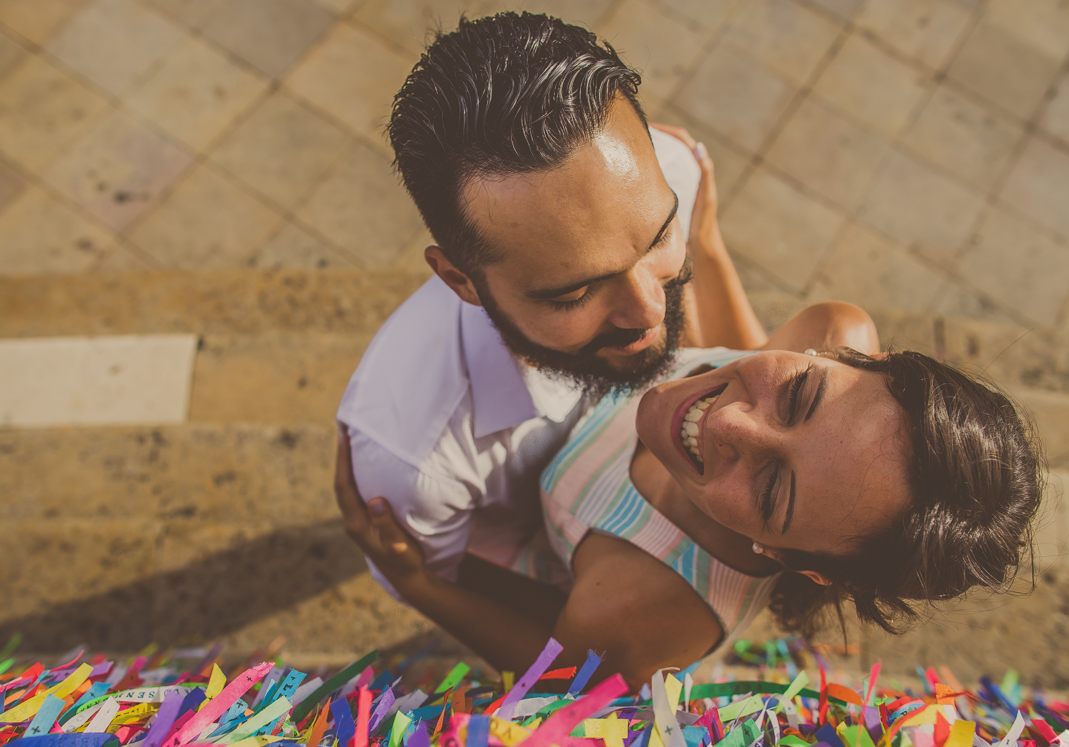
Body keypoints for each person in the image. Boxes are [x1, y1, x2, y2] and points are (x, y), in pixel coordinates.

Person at [336, 11, 874, 599]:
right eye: (574, 292)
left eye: (661, 236)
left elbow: (729, 353)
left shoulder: (673, 167)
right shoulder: (416, 464)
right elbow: (531, 624)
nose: (649, 311)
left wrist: (705, 240)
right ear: (460, 280)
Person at [337, 338, 1045, 689]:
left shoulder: (641, 600)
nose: (731, 421)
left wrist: (428, 585)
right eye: (798, 394)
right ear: (848, 354)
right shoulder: (831, 327)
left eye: (773, 492)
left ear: (798, 564)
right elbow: (745, 335)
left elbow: (558, 672)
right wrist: (702, 234)